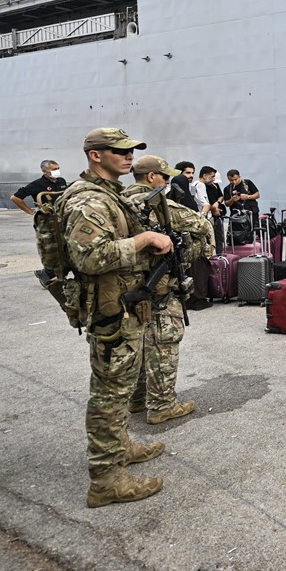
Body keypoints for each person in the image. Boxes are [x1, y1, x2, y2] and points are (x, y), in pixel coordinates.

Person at [57, 128, 173, 507]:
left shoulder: (112, 194)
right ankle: (106, 480)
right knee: (109, 395)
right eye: (119, 151)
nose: (128, 157)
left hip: (126, 304)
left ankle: (120, 447)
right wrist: (144, 240)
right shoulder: (88, 201)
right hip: (111, 312)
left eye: (131, 151)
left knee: (120, 390)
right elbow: (88, 257)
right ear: (95, 155)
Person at [123, 155, 214, 424]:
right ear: (151, 177)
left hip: (125, 291)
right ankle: (162, 404)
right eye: (165, 176)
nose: (168, 181)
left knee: (135, 343)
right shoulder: (162, 206)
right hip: (158, 288)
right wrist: (191, 252)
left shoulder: (117, 203)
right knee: (164, 341)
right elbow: (202, 225)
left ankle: (137, 399)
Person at [199, 166, 225, 253]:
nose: (213, 179)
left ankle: (219, 256)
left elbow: (221, 196)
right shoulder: (200, 186)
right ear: (205, 175)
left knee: (219, 238)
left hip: (216, 215)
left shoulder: (214, 185)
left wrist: (217, 203)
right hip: (208, 216)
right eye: (212, 177)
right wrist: (213, 208)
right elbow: (204, 203)